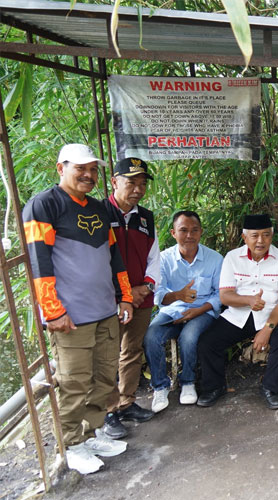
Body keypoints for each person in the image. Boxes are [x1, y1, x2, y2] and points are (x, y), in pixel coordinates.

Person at [22, 143, 133, 474]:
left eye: (93, 169)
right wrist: (53, 310)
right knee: (73, 381)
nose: (88, 175)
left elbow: (115, 258)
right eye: (80, 168)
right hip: (70, 316)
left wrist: (125, 295)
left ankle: (91, 432)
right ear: (61, 169)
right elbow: (38, 262)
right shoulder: (44, 205)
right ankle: (69, 444)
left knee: (103, 377)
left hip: (104, 310)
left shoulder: (100, 209)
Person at [196, 214, 278, 410]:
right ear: (244, 238)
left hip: (273, 314)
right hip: (239, 314)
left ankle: (270, 388)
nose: (261, 241)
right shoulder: (232, 257)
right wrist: (249, 300)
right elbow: (225, 296)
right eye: (255, 236)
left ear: (272, 236)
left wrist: (267, 330)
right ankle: (215, 387)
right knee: (208, 342)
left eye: (266, 235)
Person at [100, 157, 159, 439]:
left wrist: (145, 288)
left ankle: (127, 402)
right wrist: (121, 294)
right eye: (131, 182)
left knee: (132, 352)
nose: (137, 189)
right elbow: (95, 260)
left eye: (142, 183)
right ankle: (109, 412)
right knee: (107, 356)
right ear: (114, 182)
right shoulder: (98, 213)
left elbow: (154, 258)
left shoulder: (145, 217)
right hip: (108, 300)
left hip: (141, 298)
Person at [143, 211, 222, 413]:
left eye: (194, 230)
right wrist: (178, 295)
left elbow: (220, 294)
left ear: (201, 232)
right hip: (173, 311)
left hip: (202, 311)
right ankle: (160, 387)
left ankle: (188, 382)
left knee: (189, 337)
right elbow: (157, 295)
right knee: (152, 335)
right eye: (183, 230)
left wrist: (198, 311)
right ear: (173, 233)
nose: (189, 235)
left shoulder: (214, 259)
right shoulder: (164, 259)